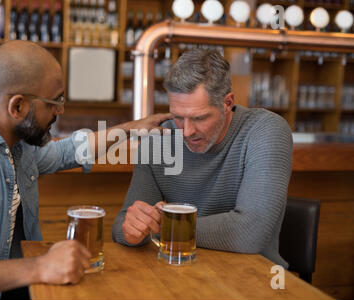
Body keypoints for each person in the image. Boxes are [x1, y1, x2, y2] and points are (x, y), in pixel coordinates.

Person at [0, 40, 171, 300]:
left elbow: (67, 152)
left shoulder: (16, 143)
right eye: (54, 101)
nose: (61, 110)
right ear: (17, 106)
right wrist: (38, 267)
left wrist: (130, 129)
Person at [112, 49, 293, 268]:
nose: (187, 131)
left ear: (227, 103)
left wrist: (166, 224)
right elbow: (122, 225)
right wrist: (131, 229)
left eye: (199, 118)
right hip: (181, 274)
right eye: (178, 117)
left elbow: (250, 233)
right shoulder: (157, 140)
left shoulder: (265, 131)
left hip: (254, 278)